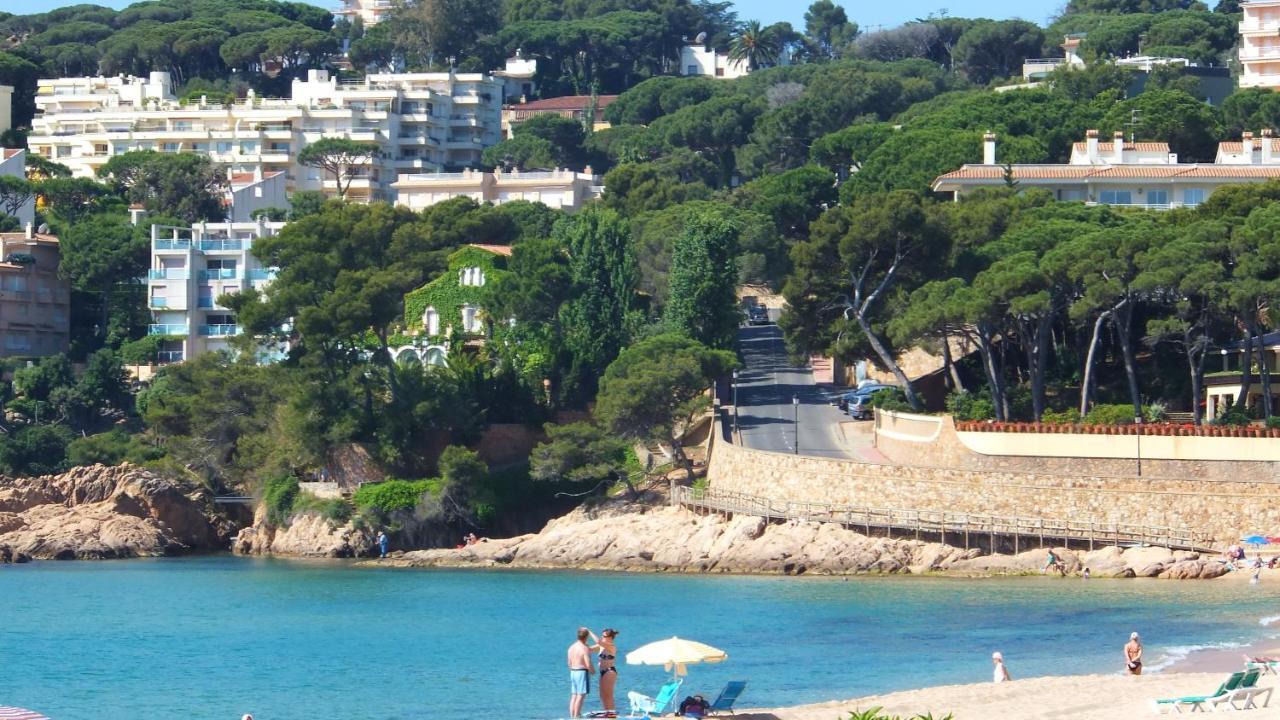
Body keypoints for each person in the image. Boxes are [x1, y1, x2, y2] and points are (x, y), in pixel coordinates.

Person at [588, 628, 620, 717]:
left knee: (608, 695)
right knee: (602, 695)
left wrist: (589, 631)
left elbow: (598, 641)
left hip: (609, 671)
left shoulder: (611, 646)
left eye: (604, 636)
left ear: (610, 638)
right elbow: (589, 649)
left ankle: (612, 716)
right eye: (602, 635)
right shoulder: (602, 646)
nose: (602, 637)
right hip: (602, 672)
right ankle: (607, 714)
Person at [568, 627, 595, 718]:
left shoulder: (571, 647)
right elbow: (587, 663)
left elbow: (569, 662)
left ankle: (572, 716)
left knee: (574, 695)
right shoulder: (584, 648)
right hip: (582, 672)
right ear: (586, 637)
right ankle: (577, 716)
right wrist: (593, 670)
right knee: (581, 695)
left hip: (573, 672)